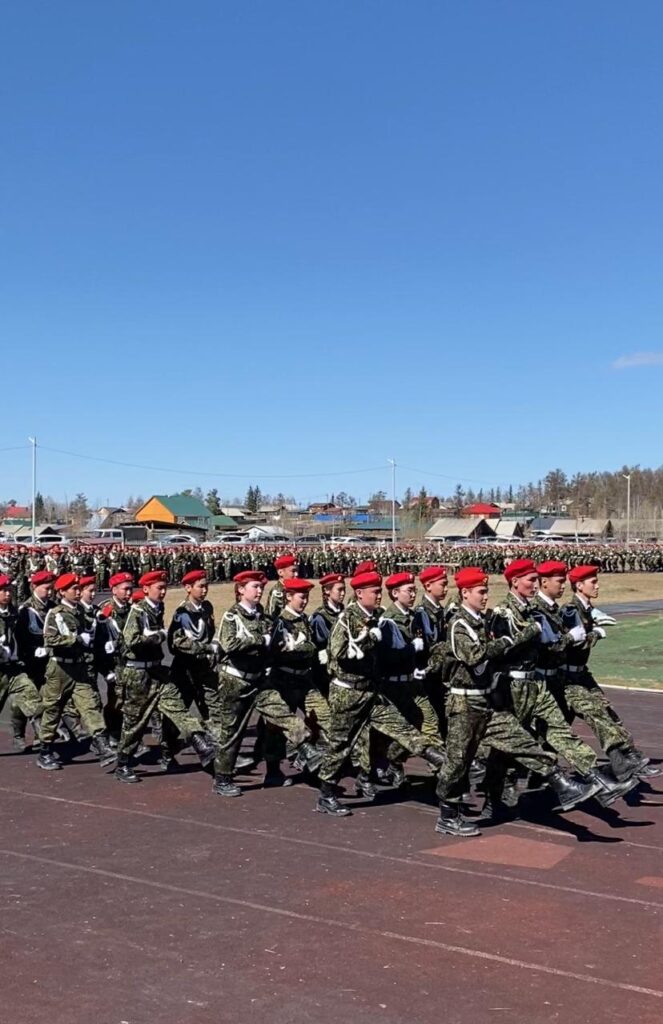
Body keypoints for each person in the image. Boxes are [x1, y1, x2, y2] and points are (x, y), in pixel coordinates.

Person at [435, 568, 601, 838]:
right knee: (457, 761)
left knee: (521, 741)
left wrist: (506, 642)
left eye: (486, 591)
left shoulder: (484, 621)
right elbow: (474, 655)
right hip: (464, 704)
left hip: (488, 701)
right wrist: (506, 641)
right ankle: (448, 814)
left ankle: (561, 783)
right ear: (465, 593)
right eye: (480, 592)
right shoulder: (459, 624)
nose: (485, 597)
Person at [488, 559, 635, 821]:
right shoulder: (503, 613)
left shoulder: (531, 611)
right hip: (513, 688)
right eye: (531, 580)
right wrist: (558, 637)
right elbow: (505, 650)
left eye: (536, 580)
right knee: (512, 745)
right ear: (515, 582)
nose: (535, 585)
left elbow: (550, 644)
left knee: (560, 730)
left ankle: (598, 780)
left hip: (537, 684)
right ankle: (494, 794)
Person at [315, 569, 446, 817]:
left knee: (403, 728)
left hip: (372, 693)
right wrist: (369, 640)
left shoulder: (377, 617)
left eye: (378, 592)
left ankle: (437, 757)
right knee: (341, 744)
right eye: (374, 592)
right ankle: (327, 793)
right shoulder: (347, 619)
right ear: (359, 593)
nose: (378, 596)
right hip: (348, 693)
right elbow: (339, 653)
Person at [210, 571, 323, 797]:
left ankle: (305, 750)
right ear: (241, 590)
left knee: (281, 713)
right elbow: (229, 644)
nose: (259, 591)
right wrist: (261, 640)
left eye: (261, 587)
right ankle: (222, 778)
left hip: (259, 679)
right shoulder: (232, 616)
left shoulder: (261, 614)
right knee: (232, 732)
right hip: (235, 681)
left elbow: (272, 642)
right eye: (254, 586)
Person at [558, 564, 660, 781]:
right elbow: (574, 643)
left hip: (581, 674)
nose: (597, 586)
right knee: (593, 716)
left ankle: (629, 757)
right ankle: (623, 761)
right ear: (579, 585)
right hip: (567, 678)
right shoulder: (570, 610)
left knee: (605, 713)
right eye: (593, 582)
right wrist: (595, 633)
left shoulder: (586, 608)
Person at [114, 570, 217, 783]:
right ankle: (123, 762)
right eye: (159, 588)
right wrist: (158, 636)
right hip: (138, 674)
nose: (163, 592)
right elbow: (131, 641)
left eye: (164, 588)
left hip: (158, 671)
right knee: (135, 722)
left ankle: (202, 745)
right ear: (145, 589)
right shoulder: (138, 611)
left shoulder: (157, 608)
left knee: (178, 708)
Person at [38, 573, 116, 771]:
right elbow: (50, 640)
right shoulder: (56, 613)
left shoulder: (81, 611)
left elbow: (92, 629)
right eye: (74, 589)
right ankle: (45, 750)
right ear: (62, 592)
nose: (78, 592)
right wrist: (76, 639)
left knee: (90, 705)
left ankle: (102, 746)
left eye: (79, 588)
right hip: (60, 669)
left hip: (79, 667)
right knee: (53, 710)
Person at [379, 571, 443, 787]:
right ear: (395, 593)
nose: (413, 594)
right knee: (405, 730)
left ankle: (441, 771)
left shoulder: (414, 617)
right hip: (394, 685)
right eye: (409, 590)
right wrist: (410, 650)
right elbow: (389, 657)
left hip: (413, 682)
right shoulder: (388, 621)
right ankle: (392, 760)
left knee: (430, 723)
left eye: (415, 590)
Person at [265, 577, 331, 786]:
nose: (305, 601)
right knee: (277, 727)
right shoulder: (281, 622)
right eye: (301, 597)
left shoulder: (304, 619)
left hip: (304, 680)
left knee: (324, 717)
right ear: (288, 597)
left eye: (306, 597)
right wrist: (306, 649)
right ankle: (273, 771)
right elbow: (279, 650)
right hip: (284, 679)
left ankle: (311, 760)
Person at [0, 574, 42, 751]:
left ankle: (44, 738)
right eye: (3, 591)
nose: (7, 594)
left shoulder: (15, 613)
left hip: (14, 669)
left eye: (9, 590)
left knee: (31, 695)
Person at [96, 571, 135, 742]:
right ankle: (113, 732)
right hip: (114, 663)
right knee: (116, 700)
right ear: (114, 590)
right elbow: (99, 645)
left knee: (132, 700)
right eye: (125, 589)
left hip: (131, 662)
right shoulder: (106, 611)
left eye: (130, 589)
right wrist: (106, 670)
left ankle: (126, 735)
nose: (129, 592)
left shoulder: (132, 609)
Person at [265, 554, 298, 619]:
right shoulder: (278, 591)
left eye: (297, 571)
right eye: (293, 571)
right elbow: (271, 616)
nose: (296, 574)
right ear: (280, 572)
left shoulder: (290, 588)